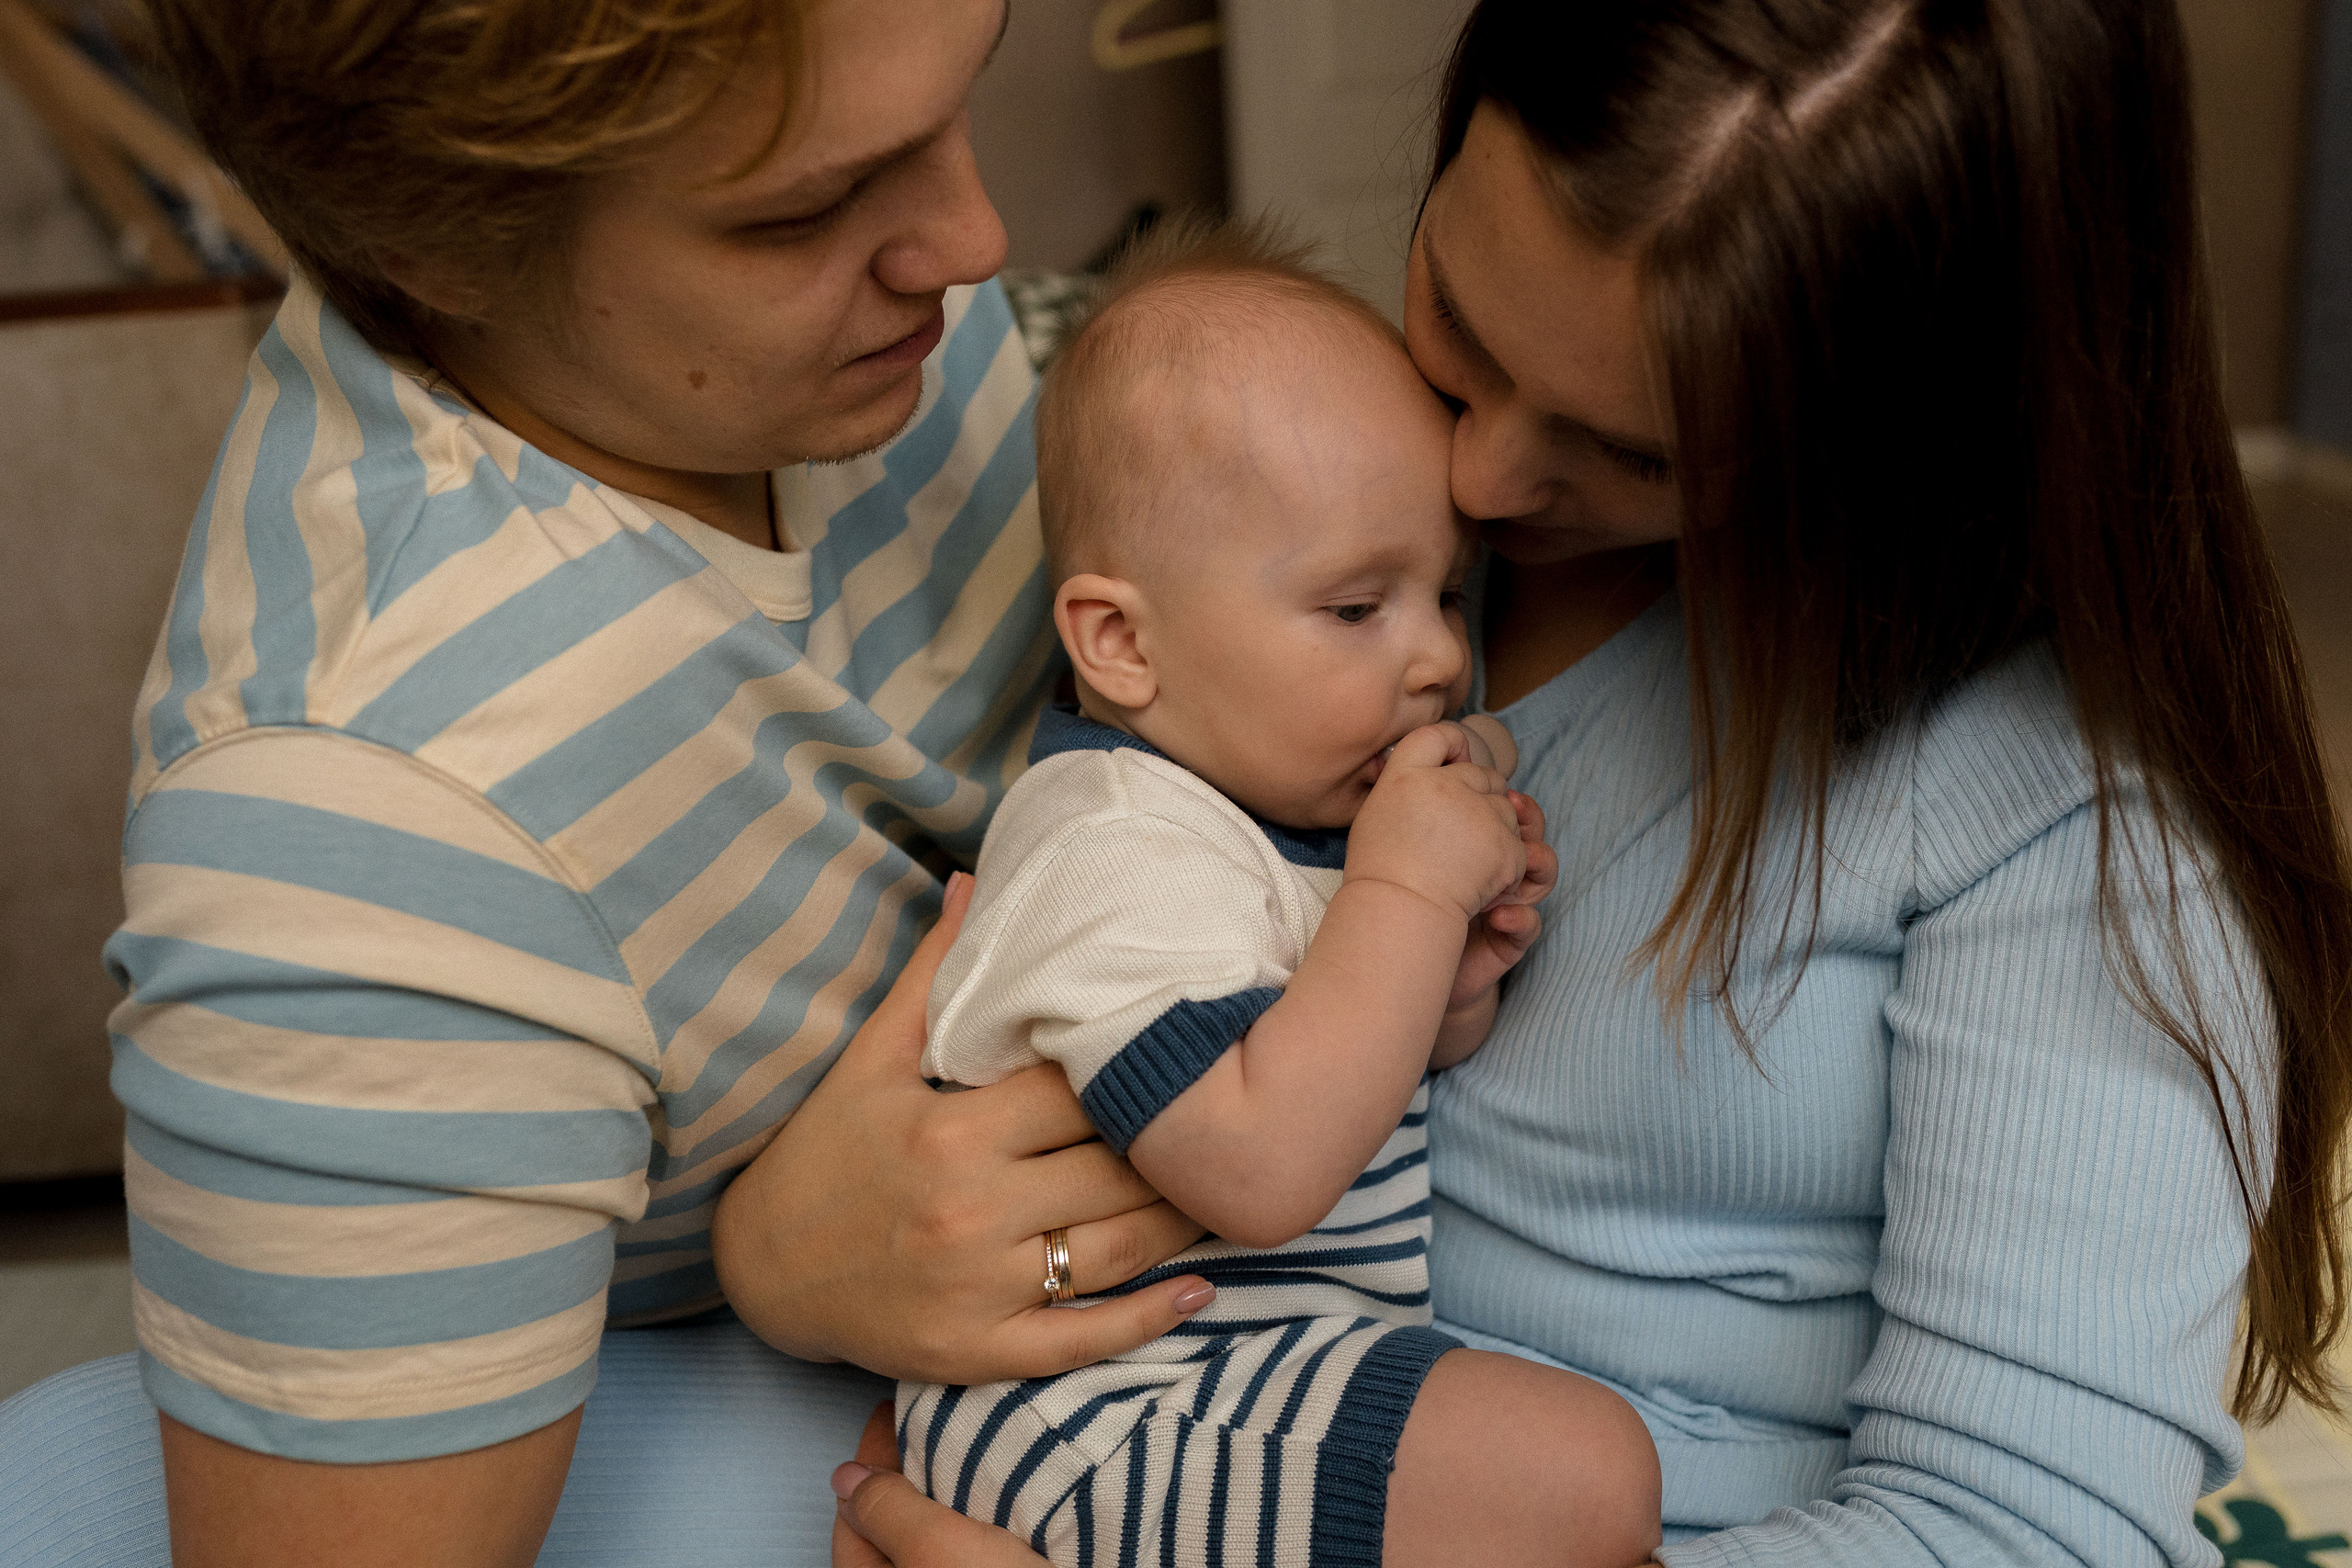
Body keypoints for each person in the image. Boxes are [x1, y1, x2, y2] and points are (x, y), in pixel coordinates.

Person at [832, 2, 2352, 1565]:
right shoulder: (1286, 519)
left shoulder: (2067, 822)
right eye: (1461, 329)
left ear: (1893, 452)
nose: (1478, 484)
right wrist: (796, 1257)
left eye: (1638, 457)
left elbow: (2036, 1539)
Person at [94, 2, 1221, 1563]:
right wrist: (779, 1292)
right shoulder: (365, 839)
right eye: (808, 208)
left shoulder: (807, 343)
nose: (973, 242)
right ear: (442, 249)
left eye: (962, 93)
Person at [895, 220, 1657, 1567]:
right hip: (1103, 1412)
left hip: (1234, 1381)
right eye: (1358, 610)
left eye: (1447, 598)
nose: (1434, 661)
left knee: (1569, 1480)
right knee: (1580, 1478)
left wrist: (1450, 983)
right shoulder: (1113, 850)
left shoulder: (1266, 818)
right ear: (1122, 643)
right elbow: (1258, 1164)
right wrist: (1408, 900)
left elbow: (1337, 1064)